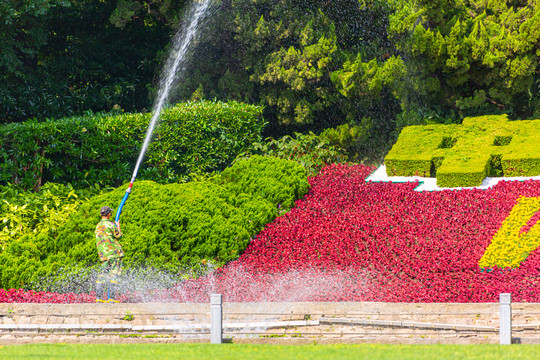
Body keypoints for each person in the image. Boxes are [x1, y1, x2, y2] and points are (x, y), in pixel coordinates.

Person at [95, 206, 124, 303]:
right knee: (114, 274)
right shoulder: (111, 225)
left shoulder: (98, 225)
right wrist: (118, 225)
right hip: (114, 253)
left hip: (103, 255)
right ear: (109, 214)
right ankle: (112, 298)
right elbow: (119, 236)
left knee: (102, 274)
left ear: (100, 214)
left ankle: (99, 298)